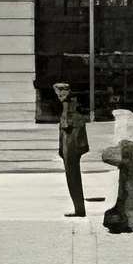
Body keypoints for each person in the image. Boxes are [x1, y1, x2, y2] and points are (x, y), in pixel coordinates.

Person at [53, 82, 91, 218]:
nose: (59, 96)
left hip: (72, 144)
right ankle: (78, 208)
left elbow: (71, 126)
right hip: (68, 143)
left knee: (73, 176)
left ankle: (79, 209)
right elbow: (63, 127)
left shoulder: (72, 110)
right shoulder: (66, 108)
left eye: (61, 93)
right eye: (58, 93)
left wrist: (77, 147)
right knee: (72, 177)